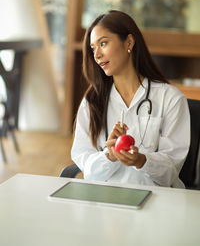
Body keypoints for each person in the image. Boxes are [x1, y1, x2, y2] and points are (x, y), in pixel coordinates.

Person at [71, 10, 190, 188]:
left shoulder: (170, 99)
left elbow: (171, 172)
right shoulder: (93, 100)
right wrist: (109, 155)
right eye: (93, 48)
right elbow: (86, 166)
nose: (97, 55)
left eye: (103, 43)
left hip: (157, 203)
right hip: (106, 202)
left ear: (129, 42)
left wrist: (142, 160)